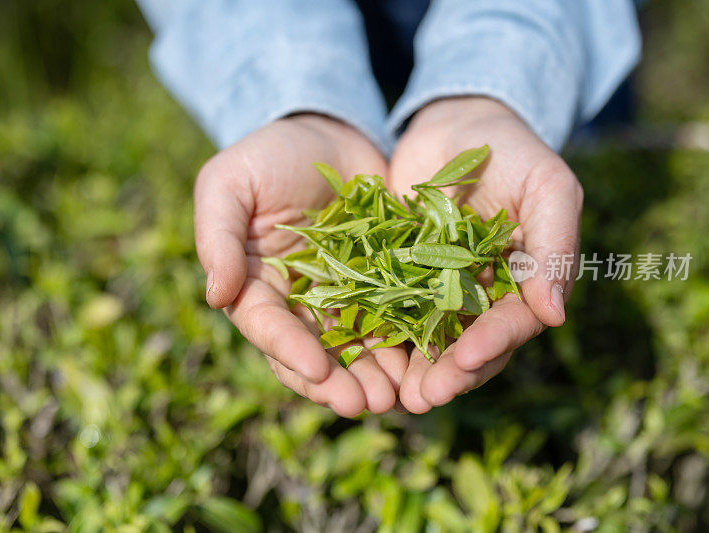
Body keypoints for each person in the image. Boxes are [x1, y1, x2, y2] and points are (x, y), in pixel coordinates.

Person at [136, 0, 641, 416]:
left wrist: (496, 93)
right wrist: (293, 97)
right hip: (325, 37)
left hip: (550, 37)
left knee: (575, 175)